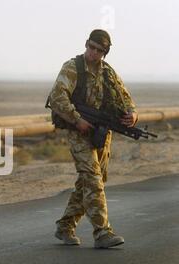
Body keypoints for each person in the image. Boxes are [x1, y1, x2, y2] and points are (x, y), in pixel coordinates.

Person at [47, 29, 138, 248]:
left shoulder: (108, 72)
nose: (93, 53)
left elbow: (125, 98)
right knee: (92, 178)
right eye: (91, 47)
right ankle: (102, 232)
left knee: (90, 181)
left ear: (105, 53)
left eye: (99, 50)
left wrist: (132, 114)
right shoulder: (73, 67)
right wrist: (76, 119)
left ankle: (65, 226)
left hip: (100, 133)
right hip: (78, 131)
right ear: (86, 44)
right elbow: (57, 97)